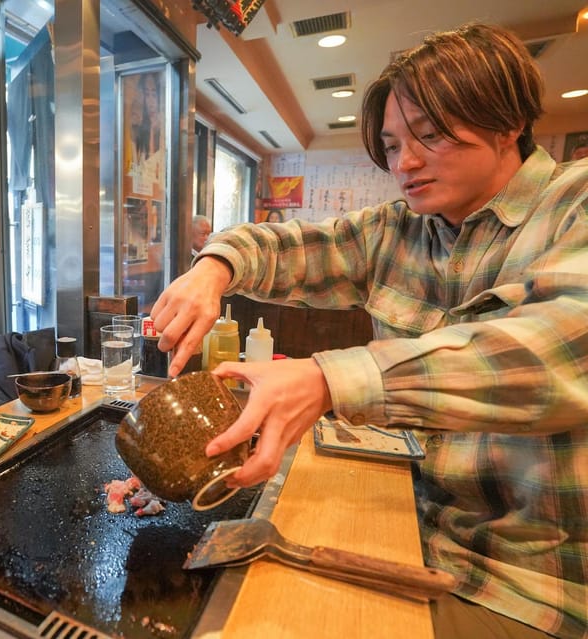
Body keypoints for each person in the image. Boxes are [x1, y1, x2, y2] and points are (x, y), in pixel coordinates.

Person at [152, 23, 587, 639]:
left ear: (507, 122)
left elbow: (548, 356)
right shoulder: (400, 228)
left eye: (430, 137)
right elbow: (290, 244)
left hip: (519, 583)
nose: (403, 164)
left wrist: (328, 378)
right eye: (390, 145)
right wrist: (213, 267)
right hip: (401, 522)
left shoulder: (574, 206)